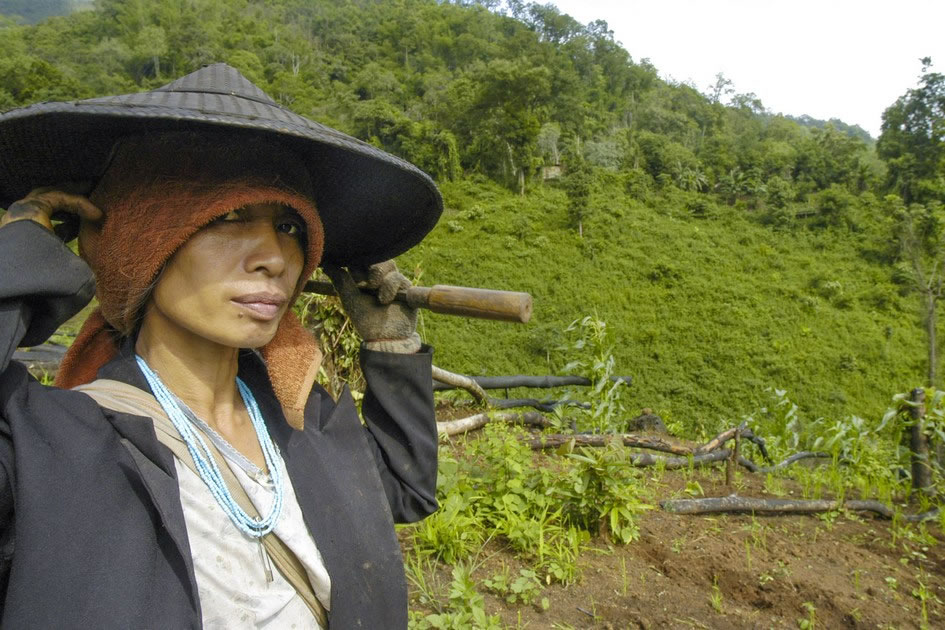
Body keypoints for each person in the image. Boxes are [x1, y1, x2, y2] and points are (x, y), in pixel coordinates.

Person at [0, 64, 443, 628]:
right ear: (142, 244)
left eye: (289, 227)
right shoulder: (49, 446)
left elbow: (405, 492)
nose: (275, 258)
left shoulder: (299, 416)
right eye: (229, 216)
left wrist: (392, 341)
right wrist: (21, 257)